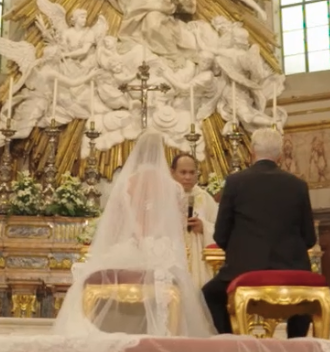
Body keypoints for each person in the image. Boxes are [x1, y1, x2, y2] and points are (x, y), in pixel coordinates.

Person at [53, 130, 215, 336]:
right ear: (162, 152)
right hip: (161, 254)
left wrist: (134, 240)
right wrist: (154, 242)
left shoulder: (125, 184)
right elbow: (180, 227)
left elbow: (115, 226)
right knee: (176, 281)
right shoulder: (173, 188)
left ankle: (111, 328)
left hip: (129, 251)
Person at [202, 127, 317, 337]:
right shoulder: (298, 185)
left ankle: (233, 341)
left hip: (244, 270)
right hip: (291, 269)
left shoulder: (235, 182)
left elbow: (220, 235)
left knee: (209, 294)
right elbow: (309, 238)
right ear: (280, 156)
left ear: (252, 153)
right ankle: (296, 343)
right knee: (304, 301)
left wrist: (239, 253)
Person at [170, 151, 218, 288]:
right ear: (172, 172)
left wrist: (204, 227)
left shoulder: (204, 198)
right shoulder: (164, 197)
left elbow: (221, 229)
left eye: (192, 172)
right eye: (183, 172)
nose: (188, 177)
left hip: (198, 261)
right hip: (172, 256)